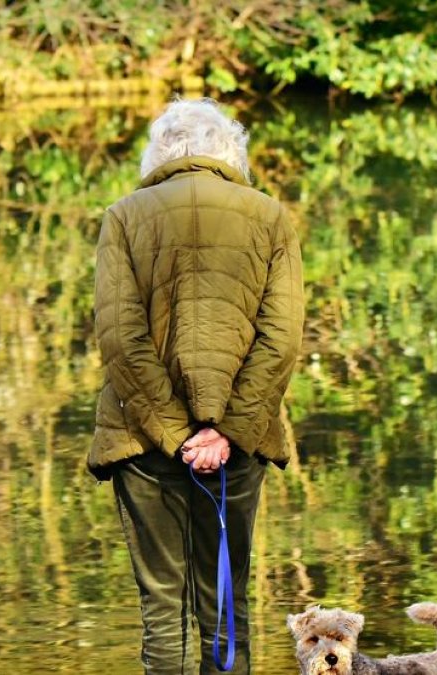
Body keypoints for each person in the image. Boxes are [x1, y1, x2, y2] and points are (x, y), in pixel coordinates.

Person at [87, 98, 305, 674]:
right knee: (226, 608)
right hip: (240, 440)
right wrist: (226, 432)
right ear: (231, 151)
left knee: (163, 609)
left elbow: (119, 336)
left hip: (144, 440)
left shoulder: (125, 216)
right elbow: (281, 339)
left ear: (158, 154)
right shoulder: (270, 216)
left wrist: (175, 432)